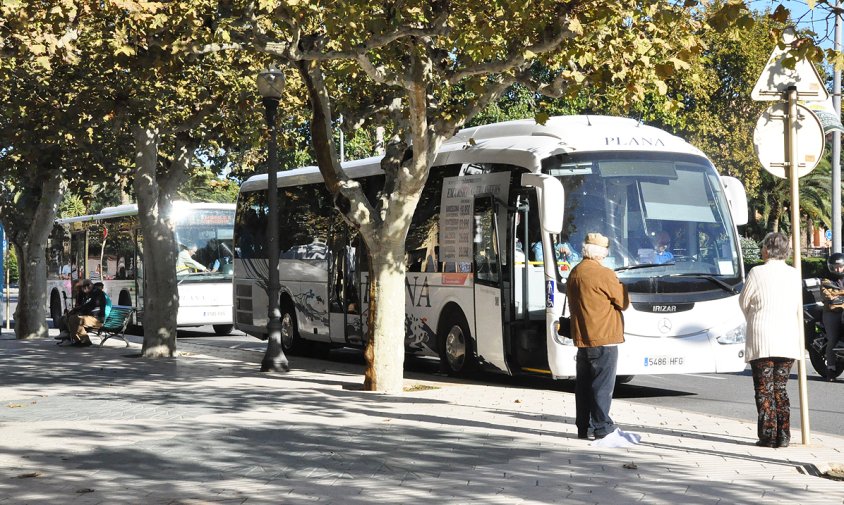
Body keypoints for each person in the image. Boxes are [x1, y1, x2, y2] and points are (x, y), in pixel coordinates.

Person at [739, 232, 802, 448]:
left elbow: (744, 301)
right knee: (781, 388)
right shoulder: (794, 274)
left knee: (764, 388)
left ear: (767, 249)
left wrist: (754, 316)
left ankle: (767, 435)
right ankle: (784, 435)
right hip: (787, 336)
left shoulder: (757, 272)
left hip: (762, 336)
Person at [567, 232, 629, 440]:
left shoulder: (575, 272)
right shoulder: (604, 274)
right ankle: (602, 426)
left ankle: (583, 427)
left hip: (583, 337)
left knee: (583, 385)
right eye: (605, 252)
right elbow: (623, 302)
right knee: (602, 385)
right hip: (604, 337)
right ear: (600, 253)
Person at [820, 252, 844, 382]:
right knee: (833, 339)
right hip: (832, 312)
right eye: (835, 267)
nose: (838, 269)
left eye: (840, 266)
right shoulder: (826, 280)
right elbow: (829, 295)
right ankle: (831, 369)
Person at [65, 280, 110, 346]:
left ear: (89, 286)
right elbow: (83, 305)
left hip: (97, 319)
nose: (82, 290)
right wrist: (75, 310)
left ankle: (85, 341)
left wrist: (78, 309)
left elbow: (91, 305)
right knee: (67, 317)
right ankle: (76, 340)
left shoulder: (97, 293)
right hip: (89, 317)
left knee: (75, 319)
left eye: (82, 288)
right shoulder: (88, 293)